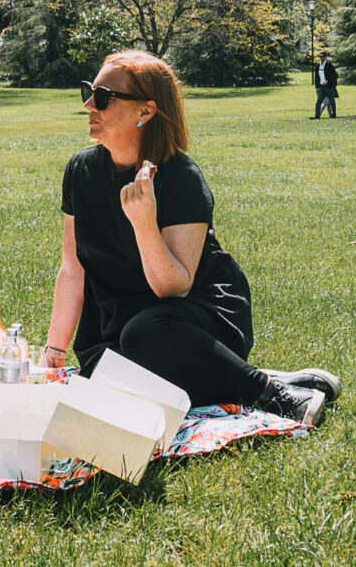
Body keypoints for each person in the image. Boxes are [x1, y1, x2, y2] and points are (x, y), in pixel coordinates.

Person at [42, 50, 340, 426]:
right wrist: (54, 350)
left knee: (144, 336)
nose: (89, 104)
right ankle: (239, 374)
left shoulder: (180, 177)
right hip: (118, 329)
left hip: (195, 319)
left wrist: (144, 224)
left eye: (103, 96)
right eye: (88, 90)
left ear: (145, 112)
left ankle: (272, 393)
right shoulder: (80, 170)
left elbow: (173, 287)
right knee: (107, 379)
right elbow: (73, 270)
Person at [311, 51, 338, 119]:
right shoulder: (317, 66)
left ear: (326, 57)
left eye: (323, 56)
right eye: (320, 56)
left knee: (332, 101)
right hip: (321, 87)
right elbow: (316, 77)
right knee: (319, 101)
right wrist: (317, 87)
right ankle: (317, 115)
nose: (321, 58)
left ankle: (334, 114)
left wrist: (328, 80)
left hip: (328, 86)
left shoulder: (329, 65)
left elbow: (334, 75)